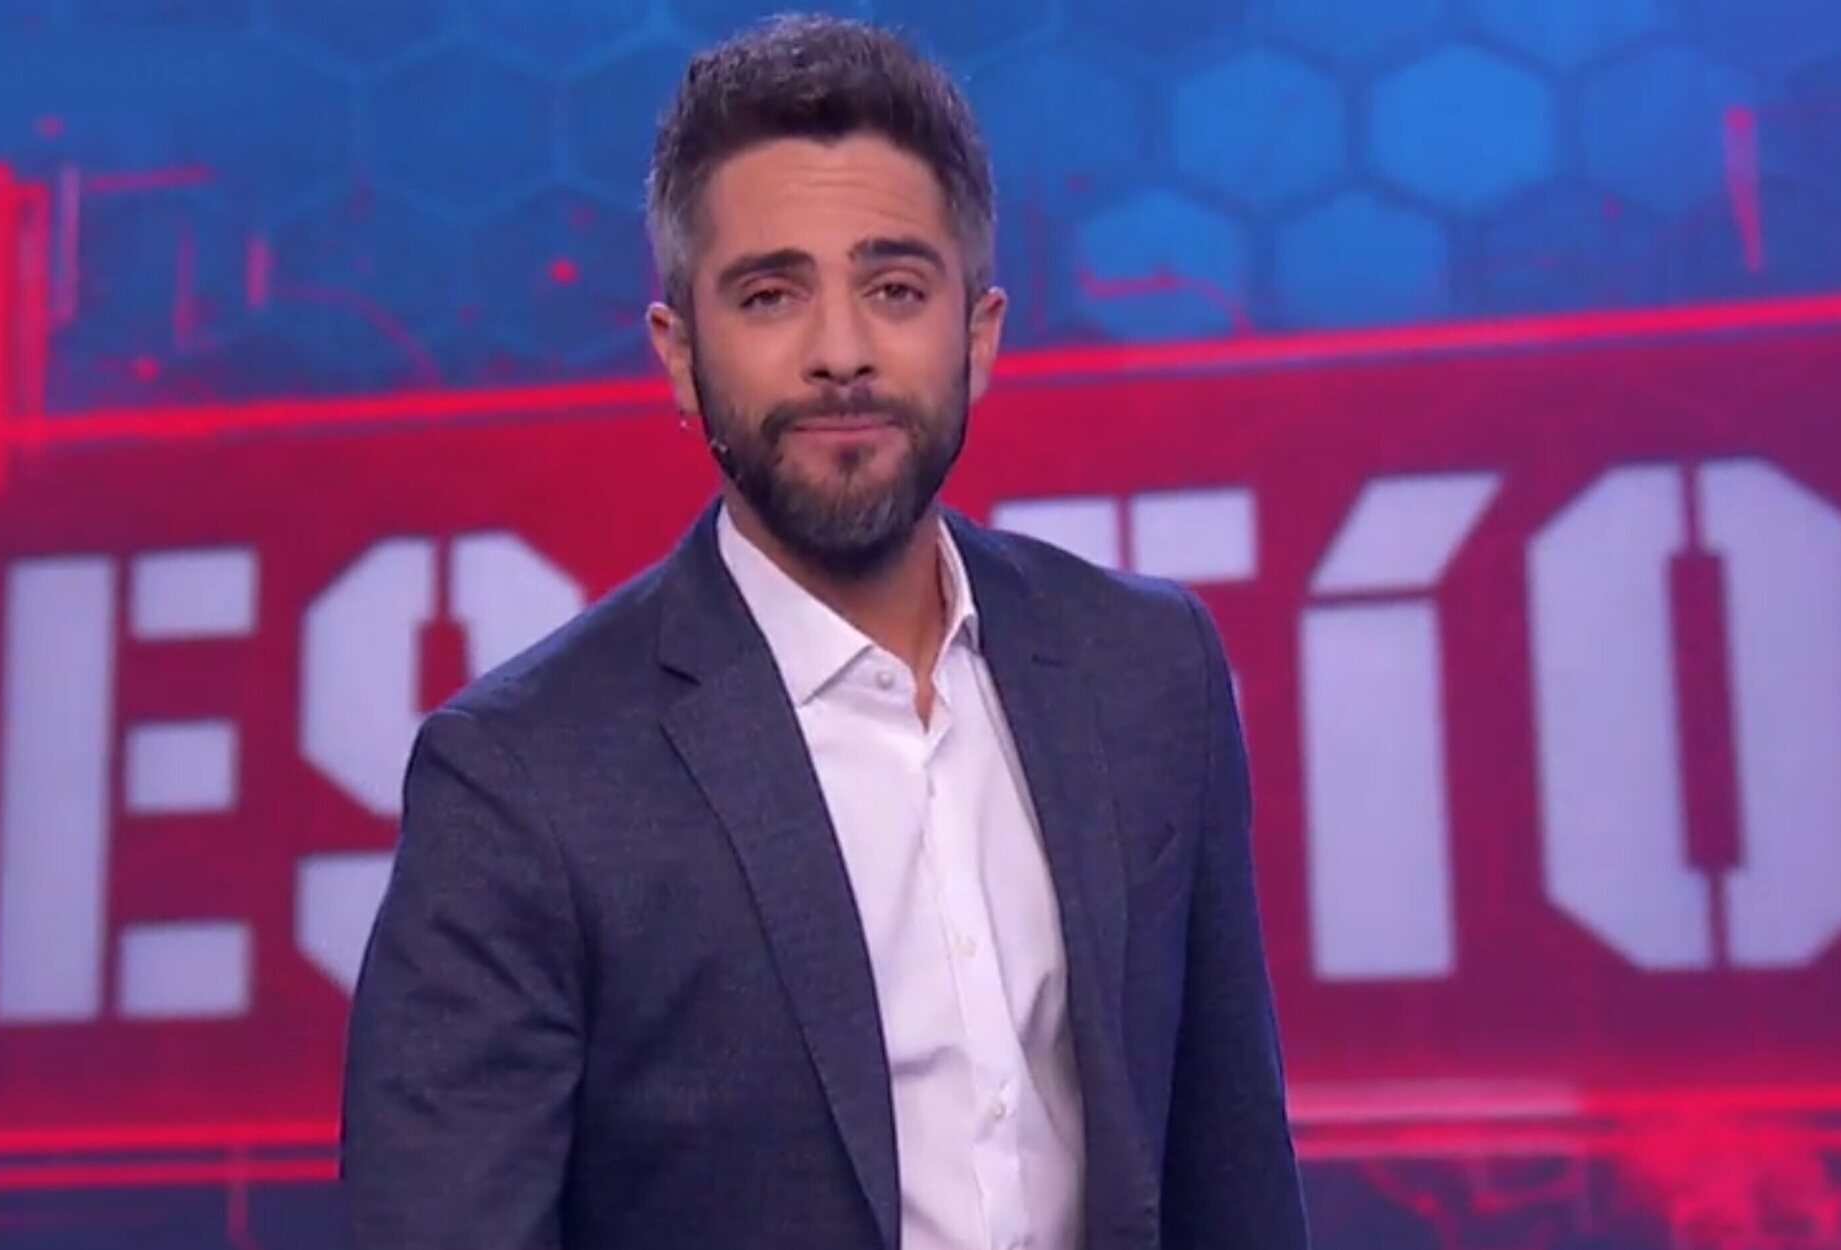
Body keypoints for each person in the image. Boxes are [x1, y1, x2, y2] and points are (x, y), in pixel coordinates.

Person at [341, 14, 1309, 1250]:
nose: (840, 353)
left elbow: (1232, 1177)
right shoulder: (524, 781)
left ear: (979, 332)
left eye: (893, 289)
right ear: (679, 355)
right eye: (769, 295)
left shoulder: (1144, 670)